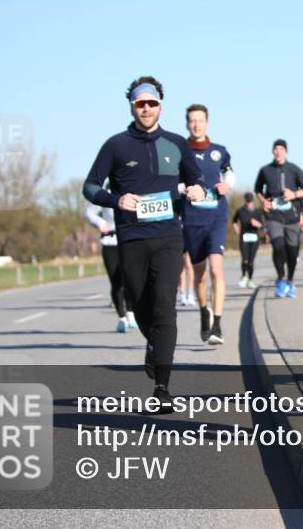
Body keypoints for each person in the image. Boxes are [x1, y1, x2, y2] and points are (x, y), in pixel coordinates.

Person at [83, 76, 206, 412]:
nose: (146, 109)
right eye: (141, 104)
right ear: (133, 107)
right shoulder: (116, 146)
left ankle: (162, 388)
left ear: (160, 106)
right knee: (140, 306)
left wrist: (198, 191)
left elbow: (197, 182)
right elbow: (90, 187)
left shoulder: (176, 144)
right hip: (132, 240)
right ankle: (154, 344)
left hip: (168, 237)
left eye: (152, 103)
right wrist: (116, 200)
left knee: (165, 305)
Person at [182, 104, 235, 346]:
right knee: (200, 276)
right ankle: (204, 310)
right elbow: (173, 183)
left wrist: (227, 185)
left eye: (200, 120)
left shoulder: (219, 151)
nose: (196, 124)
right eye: (192, 120)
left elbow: (229, 173)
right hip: (192, 220)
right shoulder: (179, 151)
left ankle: (217, 324)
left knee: (216, 269)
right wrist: (187, 190)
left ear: (207, 123)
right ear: (187, 124)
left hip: (217, 217)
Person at [254, 139, 303, 298]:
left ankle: (290, 281)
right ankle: (280, 279)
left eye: (281, 149)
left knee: (292, 252)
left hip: (292, 215)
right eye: (275, 149)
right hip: (274, 214)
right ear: (273, 152)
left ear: (286, 151)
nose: (278, 152)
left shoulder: (294, 169)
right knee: (278, 246)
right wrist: (263, 200)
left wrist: (294, 194)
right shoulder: (265, 170)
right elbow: (258, 189)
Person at [84, 193, 137, 333]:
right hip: (110, 242)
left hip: (130, 240)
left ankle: (131, 313)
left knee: (130, 279)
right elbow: (89, 212)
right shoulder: (106, 192)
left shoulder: (133, 187)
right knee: (116, 281)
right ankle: (122, 318)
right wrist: (101, 223)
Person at [232, 193, 264, 289]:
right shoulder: (240, 211)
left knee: (251, 261)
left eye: (250, 201)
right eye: (247, 201)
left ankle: (250, 279)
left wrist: (256, 224)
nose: (249, 203)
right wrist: (236, 228)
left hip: (254, 238)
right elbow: (234, 221)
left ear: (252, 201)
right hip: (244, 237)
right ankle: (244, 276)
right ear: (245, 201)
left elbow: (262, 225)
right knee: (245, 259)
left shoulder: (258, 212)